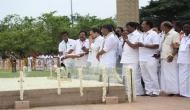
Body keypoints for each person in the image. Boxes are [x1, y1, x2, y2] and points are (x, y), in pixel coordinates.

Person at [120, 22, 144, 95]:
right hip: (125, 58)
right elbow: (123, 46)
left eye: (128, 27)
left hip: (133, 59)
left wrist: (126, 40)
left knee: (134, 76)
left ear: (133, 27)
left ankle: (138, 92)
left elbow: (134, 46)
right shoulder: (128, 35)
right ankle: (128, 91)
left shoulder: (139, 35)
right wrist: (124, 39)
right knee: (126, 77)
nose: (126, 29)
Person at [138, 21, 160, 96]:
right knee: (145, 75)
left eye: (143, 24)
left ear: (148, 25)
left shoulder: (153, 34)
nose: (142, 26)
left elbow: (156, 45)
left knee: (152, 74)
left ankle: (156, 91)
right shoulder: (142, 34)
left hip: (150, 57)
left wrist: (144, 45)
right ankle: (148, 91)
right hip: (142, 57)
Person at [160, 21, 180, 96]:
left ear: (166, 27)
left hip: (170, 57)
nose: (161, 28)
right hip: (164, 57)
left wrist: (172, 55)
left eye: (162, 27)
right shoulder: (164, 34)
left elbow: (176, 47)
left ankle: (174, 91)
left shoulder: (174, 34)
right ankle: (168, 90)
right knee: (165, 74)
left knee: (172, 74)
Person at [177, 22, 190, 97]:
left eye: (187, 27)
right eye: (185, 28)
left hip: (188, 60)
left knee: (187, 77)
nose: (186, 29)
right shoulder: (182, 37)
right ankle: (182, 92)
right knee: (182, 77)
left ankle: (187, 93)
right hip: (181, 60)